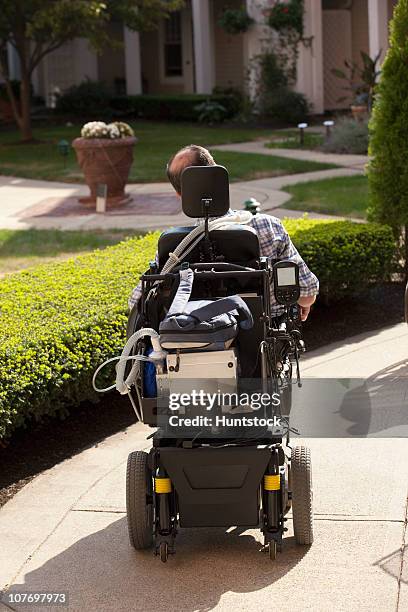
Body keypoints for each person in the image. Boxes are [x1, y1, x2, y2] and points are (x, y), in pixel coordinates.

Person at [129, 145, 319, 320]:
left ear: (180, 194)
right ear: (218, 177)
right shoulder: (268, 227)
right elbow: (307, 294)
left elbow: (136, 304)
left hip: (193, 343)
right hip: (261, 339)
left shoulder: (175, 245)